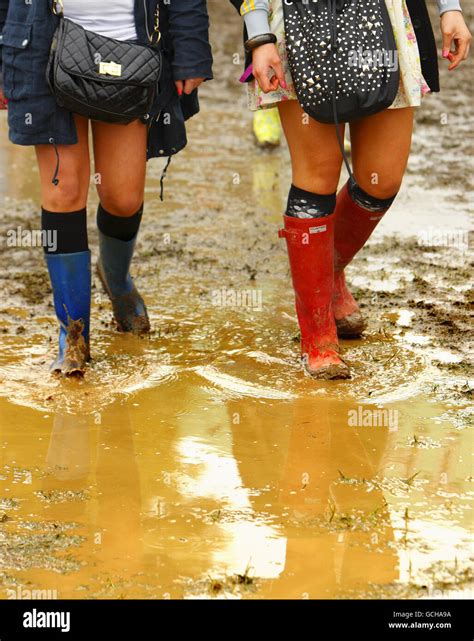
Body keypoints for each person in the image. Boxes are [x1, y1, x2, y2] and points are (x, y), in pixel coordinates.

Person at [231, 0, 471, 379]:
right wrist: (259, 35)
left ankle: (328, 271)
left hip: (387, 19)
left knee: (382, 179)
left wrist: (450, 8)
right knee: (317, 176)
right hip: (299, 22)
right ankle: (318, 338)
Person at [0, 0, 213, 376]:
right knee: (63, 191)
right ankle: (73, 335)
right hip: (42, 48)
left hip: (130, 52)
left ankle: (115, 278)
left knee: (123, 198)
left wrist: (192, 49)